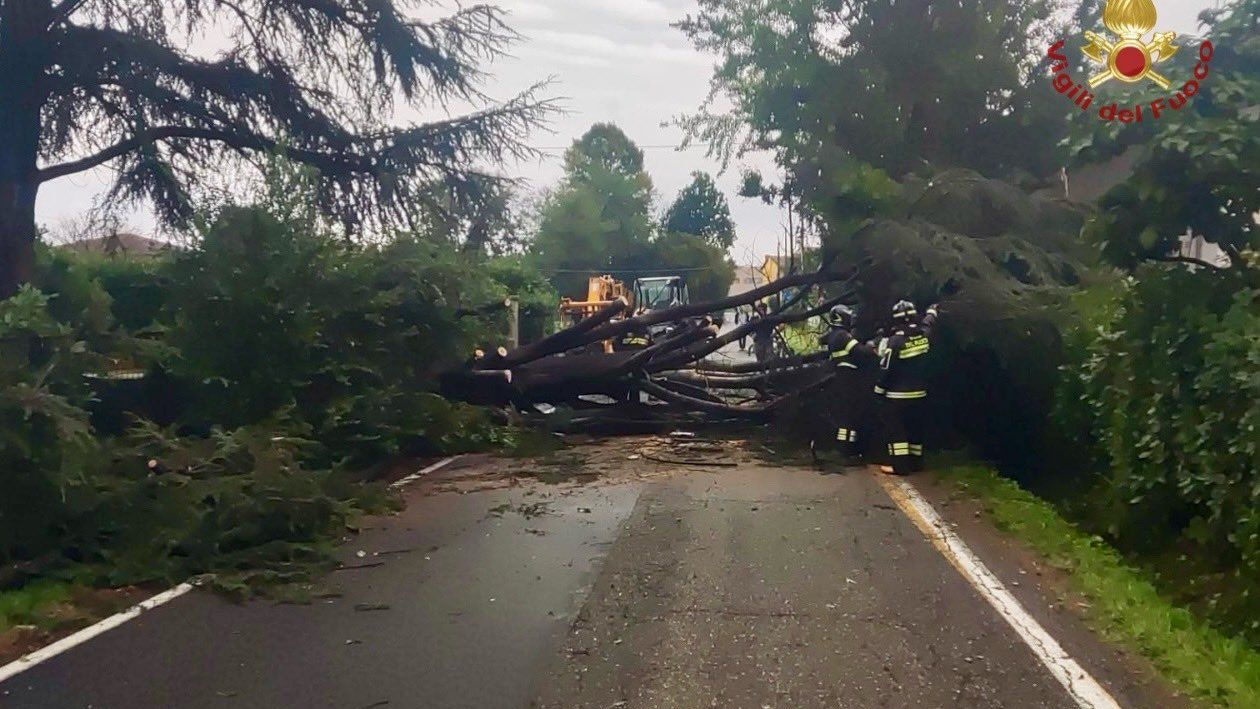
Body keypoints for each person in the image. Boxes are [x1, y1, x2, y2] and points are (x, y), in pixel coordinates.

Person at [875, 299, 939, 475]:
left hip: (897, 396)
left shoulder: (895, 342)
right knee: (915, 428)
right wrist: (932, 311)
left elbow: (886, 368)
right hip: (920, 394)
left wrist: (879, 390)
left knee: (896, 431)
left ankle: (900, 467)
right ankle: (916, 463)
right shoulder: (924, 335)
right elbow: (929, 323)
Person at [815, 304, 878, 462]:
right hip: (848, 381)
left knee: (845, 417)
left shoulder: (834, 335)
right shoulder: (843, 336)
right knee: (849, 416)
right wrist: (872, 347)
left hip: (841, 380)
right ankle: (847, 452)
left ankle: (846, 450)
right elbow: (860, 352)